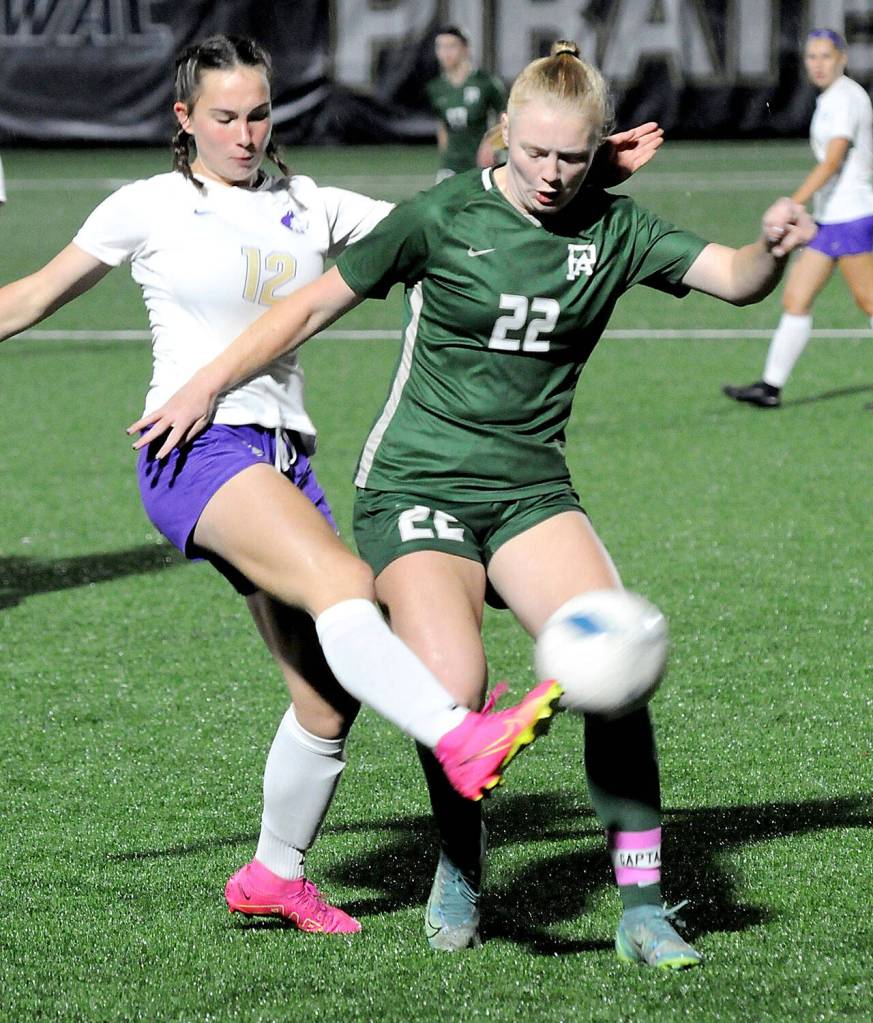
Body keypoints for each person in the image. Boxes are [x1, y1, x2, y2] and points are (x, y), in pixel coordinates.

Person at [128, 41, 814, 965]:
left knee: (616, 659)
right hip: (413, 487)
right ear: (505, 140)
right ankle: (460, 861)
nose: (550, 174)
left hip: (529, 488)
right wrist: (206, 385)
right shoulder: (442, 216)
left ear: (600, 150)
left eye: (572, 158)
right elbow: (304, 311)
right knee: (450, 693)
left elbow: (734, 279)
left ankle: (643, 903)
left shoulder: (615, 229)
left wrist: (769, 247)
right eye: (533, 153)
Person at [0, 33, 569, 936]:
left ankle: (274, 873)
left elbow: (460, 221)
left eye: (258, 113)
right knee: (346, 586)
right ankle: (462, 739)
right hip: (194, 448)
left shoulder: (313, 203)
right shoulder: (149, 204)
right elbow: (27, 297)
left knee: (324, 695)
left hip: (283, 460)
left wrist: (562, 163)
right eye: (223, 116)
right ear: (182, 119)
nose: (244, 133)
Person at [724, 28, 873, 408]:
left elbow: (834, 161)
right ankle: (770, 388)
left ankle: (770, 386)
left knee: (870, 302)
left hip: (853, 215)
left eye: (826, 56)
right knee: (796, 298)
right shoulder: (832, 98)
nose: (818, 64)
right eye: (812, 57)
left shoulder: (845, 99)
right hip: (831, 217)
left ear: (842, 58)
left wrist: (793, 203)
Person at [426, 24, 506, 182]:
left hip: (481, 162)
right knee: (442, 204)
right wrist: (445, 155)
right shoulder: (435, 87)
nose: (445, 53)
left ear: (465, 49)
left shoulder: (486, 82)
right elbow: (441, 124)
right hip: (451, 165)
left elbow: (505, 115)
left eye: (451, 46)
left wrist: (492, 144)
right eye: (440, 47)